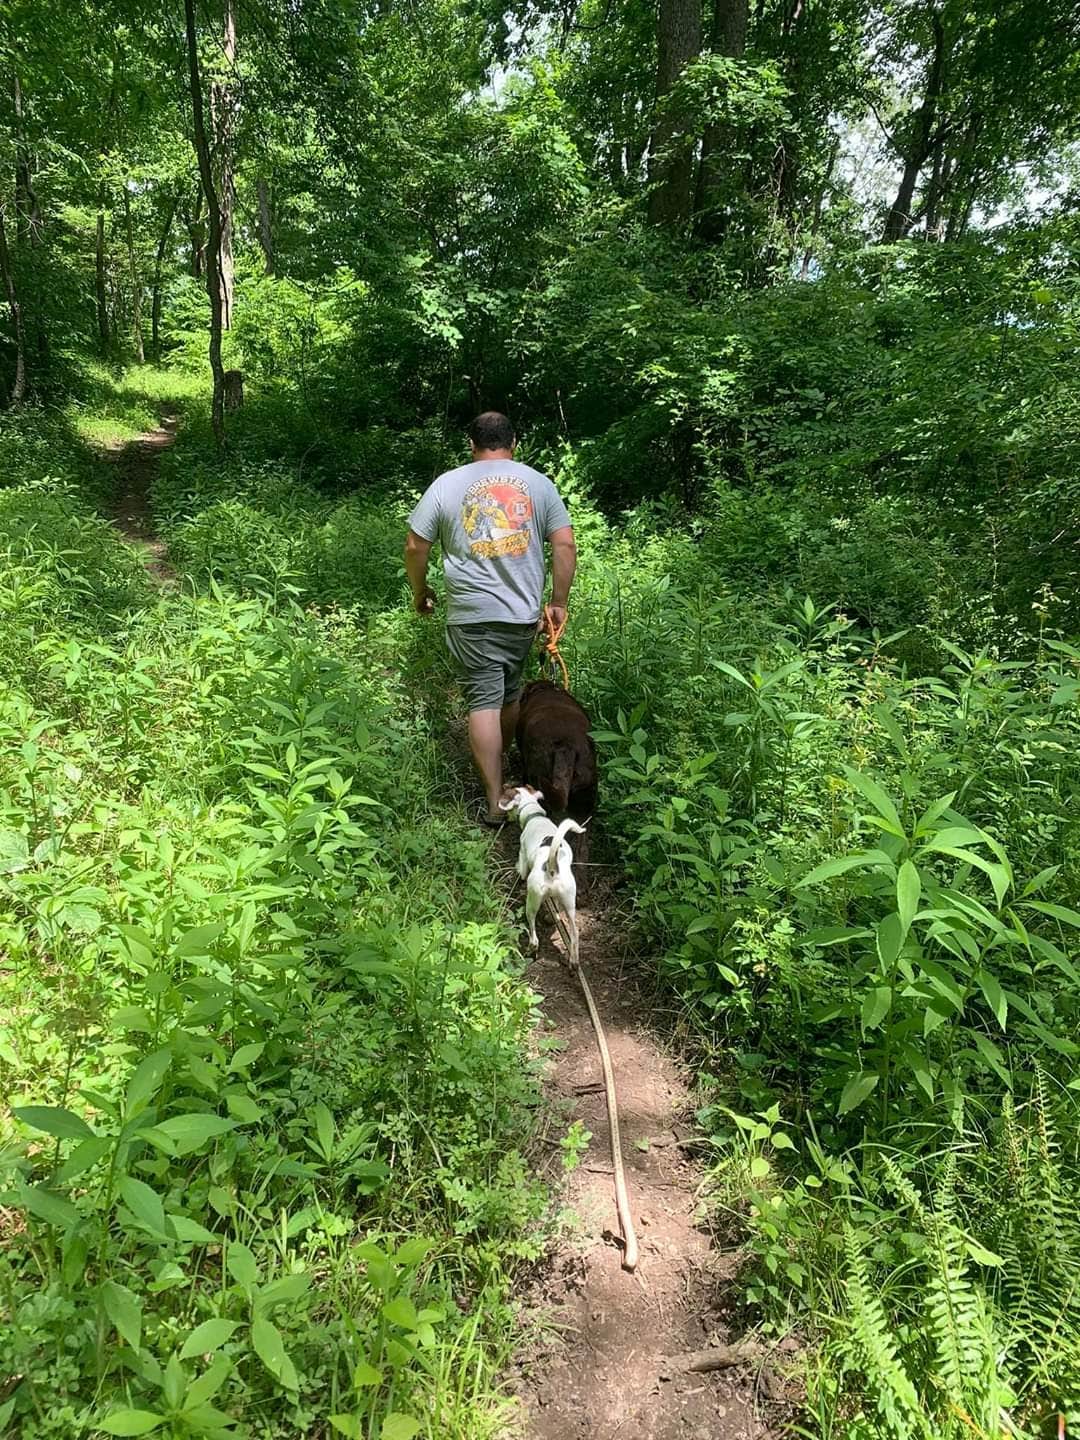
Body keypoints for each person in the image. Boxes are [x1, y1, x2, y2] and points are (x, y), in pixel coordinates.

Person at [404, 411, 577, 825]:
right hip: (521, 614)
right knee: (510, 693)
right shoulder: (537, 483)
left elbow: (415, 545)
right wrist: (559, 601)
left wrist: (419, 590)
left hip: (471, 615)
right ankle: (503, 773)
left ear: (471, 444)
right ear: (514, 441)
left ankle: (494, 801)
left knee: (485, 698)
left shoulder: (447, 484)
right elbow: (565, 544)